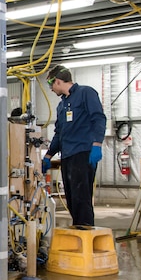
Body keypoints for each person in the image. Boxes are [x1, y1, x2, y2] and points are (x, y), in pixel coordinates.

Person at [42, 65, 106, 226]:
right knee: (71, 197)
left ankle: (85, 231)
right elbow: (59, 133)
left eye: (51, 86)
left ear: (57, 81)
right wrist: (49, 155)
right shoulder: (61, 105)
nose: (51, 90)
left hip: (83, 153)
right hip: (68, 155)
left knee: (81, 197)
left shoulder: (86, 93)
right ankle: (79, 228)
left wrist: (97, 144)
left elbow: (98, 118)